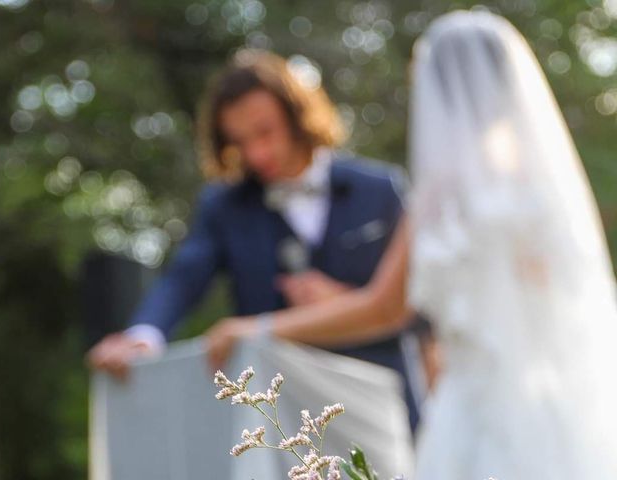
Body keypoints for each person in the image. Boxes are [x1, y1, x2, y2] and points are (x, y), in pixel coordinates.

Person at [206, 11, 617, 479]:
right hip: (563, 407)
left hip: (475, 410)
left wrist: (256, 329)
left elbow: (384, 308)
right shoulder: (546, 193)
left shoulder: (443, 196)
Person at [87, 49, 424, 432]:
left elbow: (419, 309)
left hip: (385, 413)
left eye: (265, 132)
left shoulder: (381, 190)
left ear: (297, 115)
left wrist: (347, 303)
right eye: (239, 142)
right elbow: (183, 279)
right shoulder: (224, 206)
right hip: (285, 427)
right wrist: (144, 336)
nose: (256, 153)